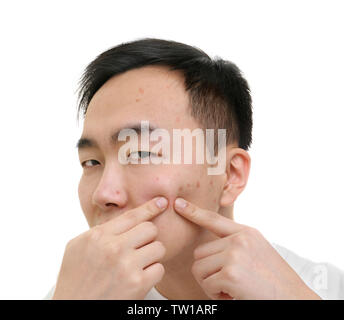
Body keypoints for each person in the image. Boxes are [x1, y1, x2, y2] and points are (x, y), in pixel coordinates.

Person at [45, 38, 344, 300]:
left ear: (229, 175)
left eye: (140, 153)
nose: (103, 193)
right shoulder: (80, 291)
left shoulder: (325, 288)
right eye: (92, 162)